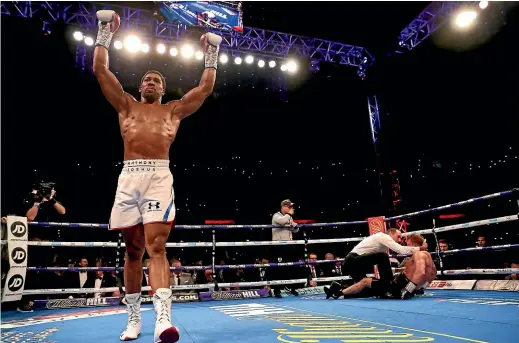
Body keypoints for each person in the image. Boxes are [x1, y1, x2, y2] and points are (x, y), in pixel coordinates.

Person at [92, 10, 221, 343]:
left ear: (163, 89)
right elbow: (100, 69)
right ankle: (134, 318)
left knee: (157, 248)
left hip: (159, 176)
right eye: (147, 79)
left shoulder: (173, 111)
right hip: (129, 176)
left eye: (156, 80)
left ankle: (163, 319)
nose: (150, 82)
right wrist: (105, 32)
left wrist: (211, 51)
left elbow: (205, 88)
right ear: (141, 86)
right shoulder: (125, 105)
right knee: (132, 251)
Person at [325, 234, 435, 299]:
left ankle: (339, 291)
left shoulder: (418, 254)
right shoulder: (427, 256)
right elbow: (432, 273)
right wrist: (420, 288)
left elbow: (421, 272)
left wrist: (409, 290)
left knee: (366, 282)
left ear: (415, 245)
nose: (402, 242)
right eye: (399, 237)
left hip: (399, 286)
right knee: (370, 283)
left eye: (408, 243)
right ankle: (339, 291)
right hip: (356, 261)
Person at [271, 199, 299, 298]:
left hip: (289, 245)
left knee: (292, 267)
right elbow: (282, 222)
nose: (291, 208)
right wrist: (290, 215)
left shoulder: (289, 217)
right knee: (279, 268)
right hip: (279, 245)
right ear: (283, 207)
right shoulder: (276, 216)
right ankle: (277, 290)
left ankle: (291, 287)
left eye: (291, 207)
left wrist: (295, 226)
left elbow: (294, 230)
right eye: (289, 207)